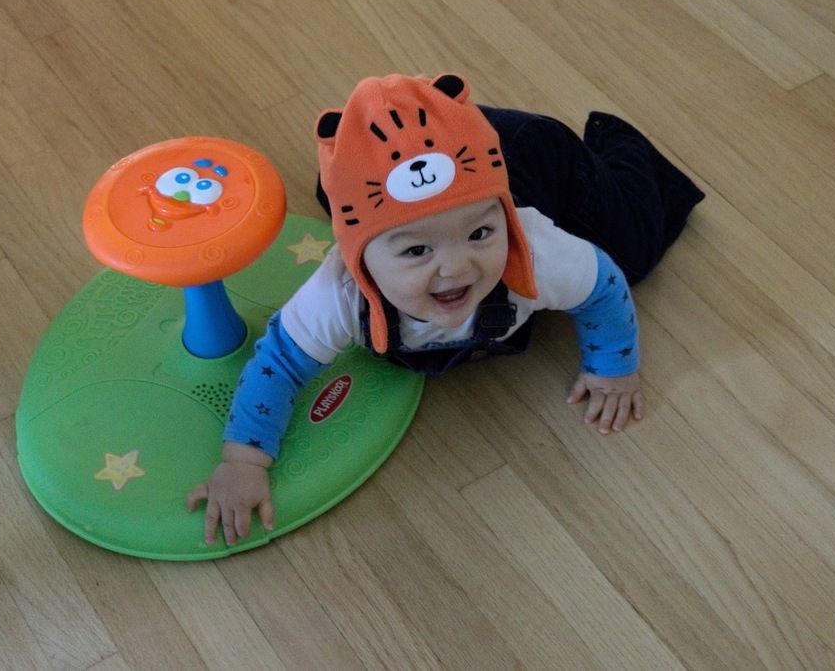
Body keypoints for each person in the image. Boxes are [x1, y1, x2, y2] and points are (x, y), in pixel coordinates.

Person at [187, 73, 704, 546]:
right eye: (417, 251)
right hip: (427, 170)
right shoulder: (340, 292)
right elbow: (279, 363)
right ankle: (399, 153)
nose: (457, 268)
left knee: (634, 249)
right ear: (356, 259)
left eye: (481, 235)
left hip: (534, 156)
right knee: (335, 188)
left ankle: (617, 142)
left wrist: (613, 368)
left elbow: (604, 286)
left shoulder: (540, 254)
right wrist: (244, 460)